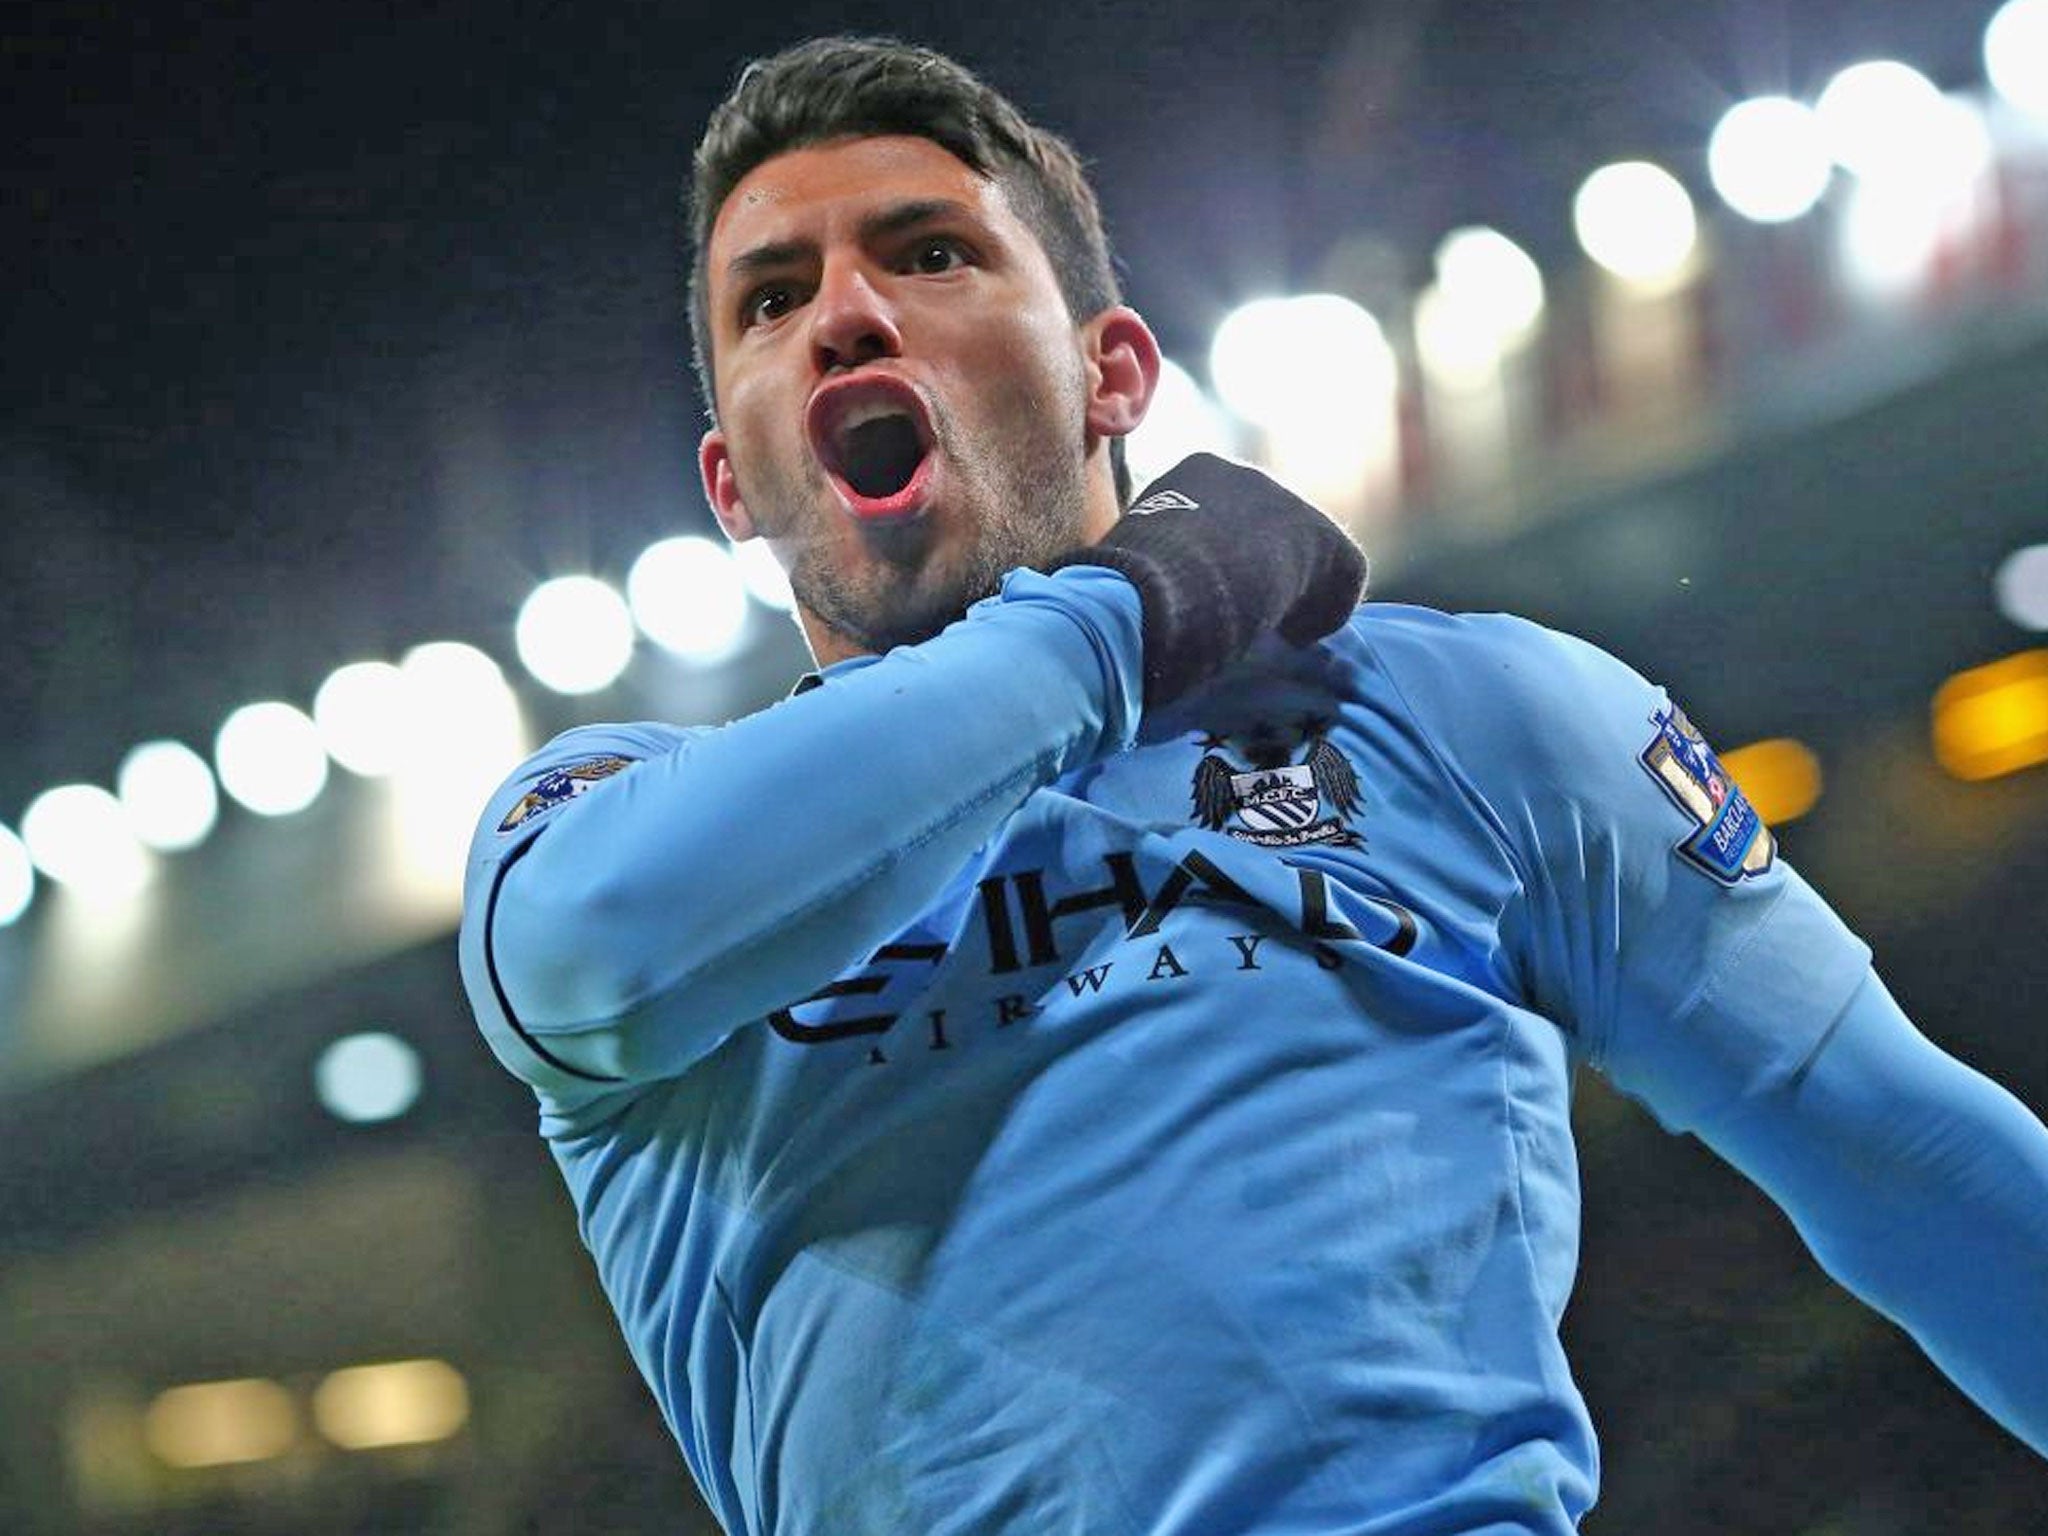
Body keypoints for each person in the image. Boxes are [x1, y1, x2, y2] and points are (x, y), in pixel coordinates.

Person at [457, 35, 2048, 1535]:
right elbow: (603, 949)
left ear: (1115, 375)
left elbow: (1909, 1159)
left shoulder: (1466, 714)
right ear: (732, 482)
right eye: (772, 298)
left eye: (932, 253)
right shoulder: (610, 818)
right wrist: (1122, 619)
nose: (848, 316)